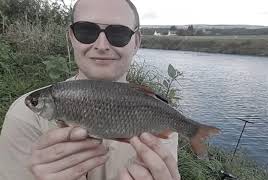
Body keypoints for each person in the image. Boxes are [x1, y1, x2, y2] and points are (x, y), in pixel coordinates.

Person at [0, 0, 180, 179]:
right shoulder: (23, 117)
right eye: (86, 31)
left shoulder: (162, 115)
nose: (101, 46)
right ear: (71, 37)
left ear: (136, 42)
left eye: (118, 33)